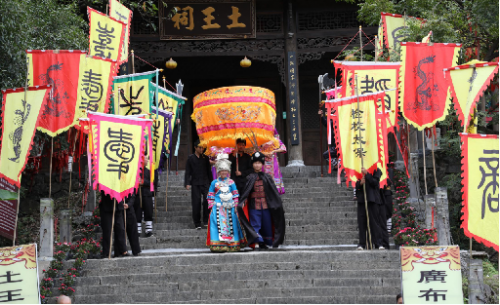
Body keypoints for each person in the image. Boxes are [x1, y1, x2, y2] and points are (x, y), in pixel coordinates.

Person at [237, 152, 286, 250]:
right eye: (255, 163)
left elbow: (273, 193)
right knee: (255, 224)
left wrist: (277, 203)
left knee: (266, 225)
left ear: (262, 164)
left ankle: (265, 242)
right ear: (252, 164)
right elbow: (245, 193)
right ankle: (256, 242)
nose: (257, 165)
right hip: (254, 206)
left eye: (259, 163)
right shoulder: (249, 177)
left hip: (266, 206)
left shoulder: (267, 177)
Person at [206, 154, 247, 252]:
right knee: (217, 225)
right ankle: (218, 245)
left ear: (228, 171)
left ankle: (232, 245)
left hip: (230, 207)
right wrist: (211, 205)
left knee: (231, 225)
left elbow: (235, 194)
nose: (224, 172)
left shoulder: (231, 182)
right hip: (218, 208)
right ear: (219, 171)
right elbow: (210, 195)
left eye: (225, 170)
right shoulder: (214, 183)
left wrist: (236, 205)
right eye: (221, 170)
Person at [184, 139, 213, 229]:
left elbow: (209, 172)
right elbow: (188, 172)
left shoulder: (206, 158)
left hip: (205, 182)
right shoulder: (190, 158)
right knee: (196, 203)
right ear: (195, 147)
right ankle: (197, 223)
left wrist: (212, 183)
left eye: (202, 148)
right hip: (195, 183)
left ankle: (205, 220)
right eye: (199, 148)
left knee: (206, 201)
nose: (201, 149)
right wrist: (187, 183)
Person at [355, 168, 384, 250]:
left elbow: (375, 182)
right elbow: (355, 185)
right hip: (362, 199)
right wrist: (360, 183)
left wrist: (367, 174)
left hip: (373, 199)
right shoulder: (357, 169)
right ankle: (362, 244)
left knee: (375, 222)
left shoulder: (376, 169)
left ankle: (378, 243)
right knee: (362, 223)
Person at [99, 192, 127, 258]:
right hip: (106, 206)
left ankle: (122, 250)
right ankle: (106, 252)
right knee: (107, 230)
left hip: (118, 205)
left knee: (120, 229)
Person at [260, 130, 287, 194]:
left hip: (273, 161)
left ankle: (275, 194)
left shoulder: (275, 140)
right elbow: (256, 151)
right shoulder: (261, 139)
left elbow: (283, 148)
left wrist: (274, 151)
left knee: (274, 177)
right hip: (264, 162)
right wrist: (264, 154)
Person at [135, 167, 156, 237]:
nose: (146, 160)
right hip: (138, 194)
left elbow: (153, 182)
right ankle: (138, 229)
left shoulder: (149, 171)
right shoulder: (136, 171)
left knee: (148, 212)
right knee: (137, 212)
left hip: (147, 194)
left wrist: (144, 182)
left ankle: (148, 230)